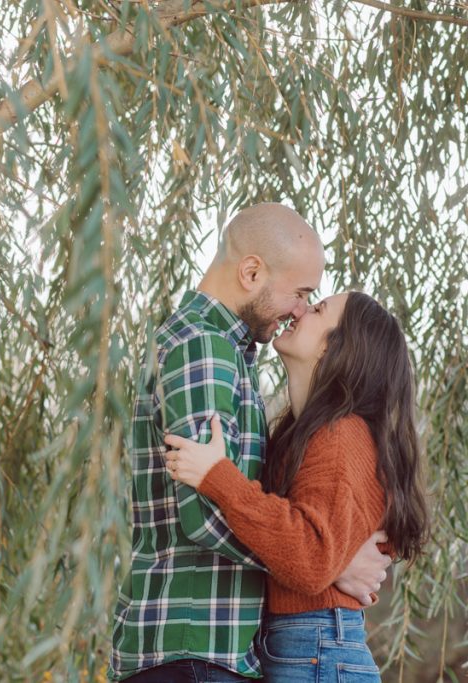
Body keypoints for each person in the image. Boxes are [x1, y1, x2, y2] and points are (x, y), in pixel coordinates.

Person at [108, 204, 392, 683]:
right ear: (252, 272)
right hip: (191, 642)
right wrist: (323, 564)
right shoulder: (203, 345)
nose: (300, 309)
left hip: (210, 649)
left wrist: (316, 557)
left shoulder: (232, 356)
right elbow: (204, 509)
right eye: (301, 293)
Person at [163, 291, 429, 682]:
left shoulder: (342, 437)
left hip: (318, 649)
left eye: (318, 309)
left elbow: (309, 559)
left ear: (336, 348)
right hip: (307, 646)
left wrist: (217, 476)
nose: (301, 308)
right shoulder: (303, 434)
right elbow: (311, 553)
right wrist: (336, 564)